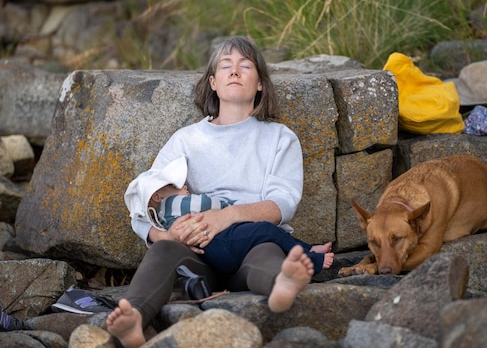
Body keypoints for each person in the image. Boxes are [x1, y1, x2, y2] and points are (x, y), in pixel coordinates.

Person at [107, 36, 328, 348]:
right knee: (164, 252)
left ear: (261, 83)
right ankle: (134, 319)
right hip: (198, 257)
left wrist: (227, 216)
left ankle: (281, 285)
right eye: (226, 66)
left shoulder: (279, 138)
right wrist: (166, 236)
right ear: (213, 82)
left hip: (252, 243)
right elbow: (142, 204)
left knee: (267, 251)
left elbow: (283, 203)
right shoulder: (185, 140)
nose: (234, 72)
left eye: (245, 66)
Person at [124, 155, 334, 275]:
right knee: (266, 230)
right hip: (220, 243)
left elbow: (137, 218)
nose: (184, 185)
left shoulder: (164, 215)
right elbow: (209, 203)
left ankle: (303, 253)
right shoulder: (177, 203)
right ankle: (310, 257)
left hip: (210, 252)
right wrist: (232, 208)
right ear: (159, 196)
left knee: (266, 242)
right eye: (176, 185)